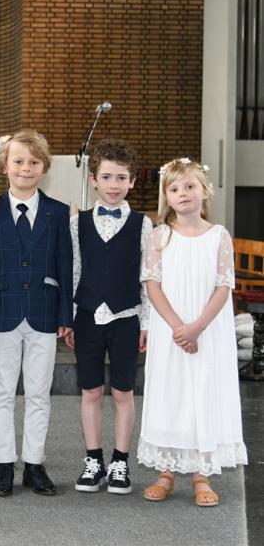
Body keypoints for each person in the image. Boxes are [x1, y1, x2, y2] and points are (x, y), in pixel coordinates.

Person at [138, 157, 247, 507]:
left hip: (208, 329)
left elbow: (223, 286)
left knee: (203, 390)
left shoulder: (218, 236)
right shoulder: (160, 235)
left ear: (205, 191)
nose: (182, 193)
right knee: (171, 390)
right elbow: (152, 286)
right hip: (172, 330)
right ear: (166, 196)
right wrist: (178, 328)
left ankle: (202, 473)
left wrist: (197, 327)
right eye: (174, 188)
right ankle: (166, 472)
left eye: (189, 186)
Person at [0, 129, 73, 497]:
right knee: (1, 391)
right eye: (18, 161)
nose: (25, 168)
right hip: (2, 313)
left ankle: (34, 463)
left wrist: (66, 315)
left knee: (38, 393)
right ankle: (3, 463)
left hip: (44, 314)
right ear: (4, 166)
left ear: (44, 167)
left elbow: (65, 265)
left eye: (33, 162)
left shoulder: (58, 212)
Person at [64, 139, 153, 495]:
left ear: (132, 181)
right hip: (86, 316)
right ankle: (93, 460)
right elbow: (74, 271)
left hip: (126, 315)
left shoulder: (143, 225)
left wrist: (145, 322)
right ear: (93, 180)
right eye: (107, 177)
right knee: (90, 390)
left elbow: (147, 278)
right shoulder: (78, 223)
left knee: (122, 391)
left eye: (121, 177)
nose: (114, 184)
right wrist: (70, 316)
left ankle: (119, 462)